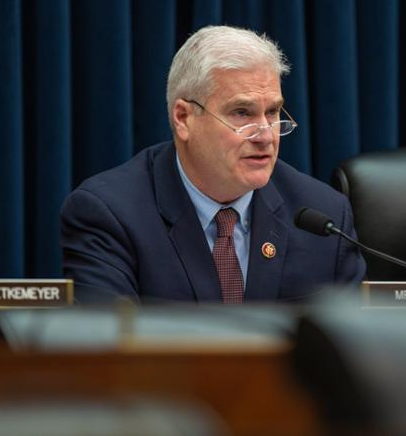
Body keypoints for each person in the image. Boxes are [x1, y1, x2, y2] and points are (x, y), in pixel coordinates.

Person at [61, 26, 366, 303]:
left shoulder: (325, 217)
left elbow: (354, 349)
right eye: (242, 113)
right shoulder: (110, 214)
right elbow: (107, 351)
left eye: (272, 112)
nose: (265, 135)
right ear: (183, 118)